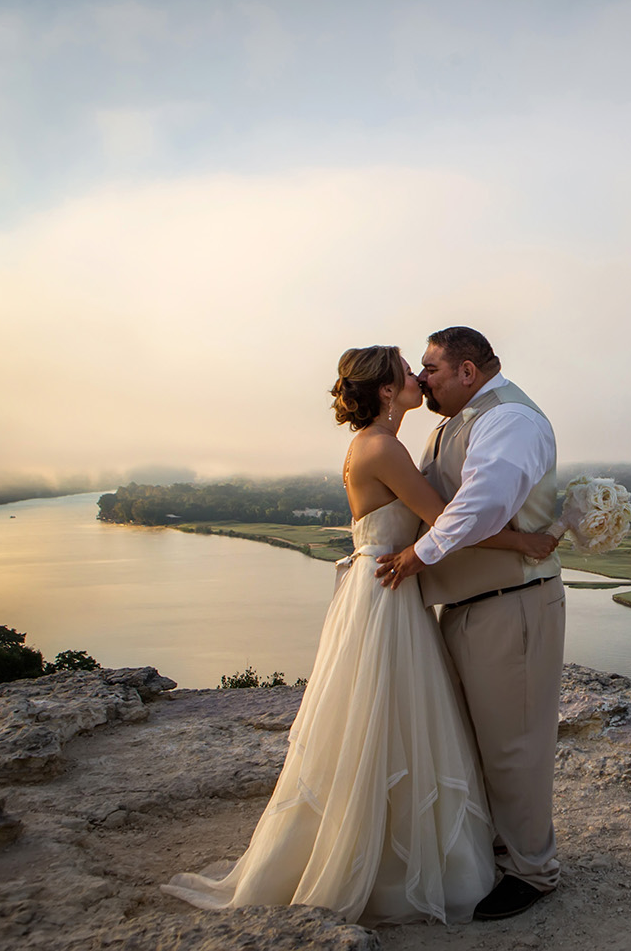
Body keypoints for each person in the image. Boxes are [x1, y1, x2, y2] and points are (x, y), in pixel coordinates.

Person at [162, 345, 556, 925]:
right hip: (388, 594)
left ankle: (402, 843)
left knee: (383, 723)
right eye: (408, 372)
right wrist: (523, 542)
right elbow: (444, 516)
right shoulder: (384, 447)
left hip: (381, 590)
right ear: (388, 392)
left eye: (426, 367)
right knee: (393, 723)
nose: (419, 377)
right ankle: (392, 860)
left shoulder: (378, 443)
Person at [375, 326, 565, 921]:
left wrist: (417, 556)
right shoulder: (452, 422)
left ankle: (532, 872)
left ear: (467, 371)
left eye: (430, 367)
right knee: (475, 743)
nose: (422, 378)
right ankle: (496, 853)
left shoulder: (509, 419)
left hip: (513, 602)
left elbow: (483, 504)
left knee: (515, 747)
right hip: (467, 606)